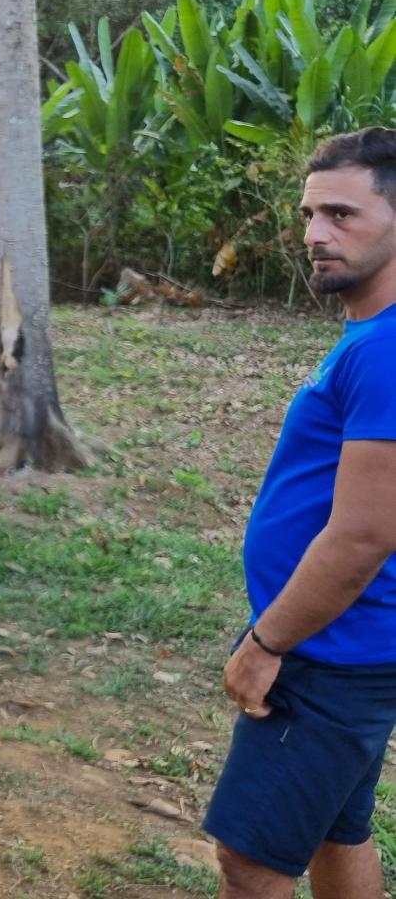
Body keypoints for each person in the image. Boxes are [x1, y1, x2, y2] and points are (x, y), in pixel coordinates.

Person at [207, 126, 396, 898]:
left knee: (249, 862)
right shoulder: (369, 340)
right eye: (311, 215)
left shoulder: (386, 353)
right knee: (334, 834)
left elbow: (362, 535)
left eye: (343, 216)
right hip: (356, 649)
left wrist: (265, 641)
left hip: (329, 655)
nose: (316, 235)